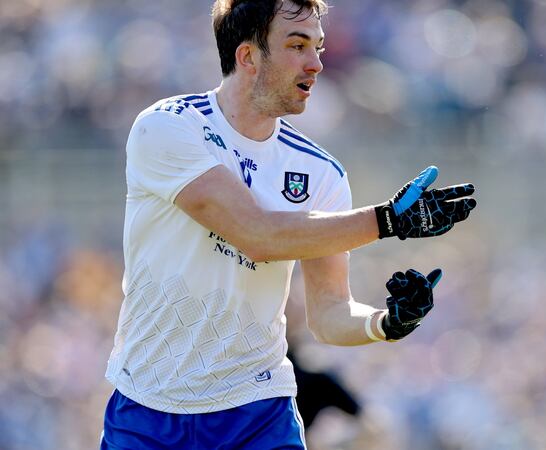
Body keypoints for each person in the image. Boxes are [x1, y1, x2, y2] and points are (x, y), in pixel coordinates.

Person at [100, 0, 476, 448]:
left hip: (257, 410)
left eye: (317, 46)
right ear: (248, 57)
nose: (316, 63)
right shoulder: (166, 127)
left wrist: (387, 323)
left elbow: (329, 314)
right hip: (147, 407)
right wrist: (388, 220)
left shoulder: (321, 173)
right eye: (297, 45)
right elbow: (257, 235)